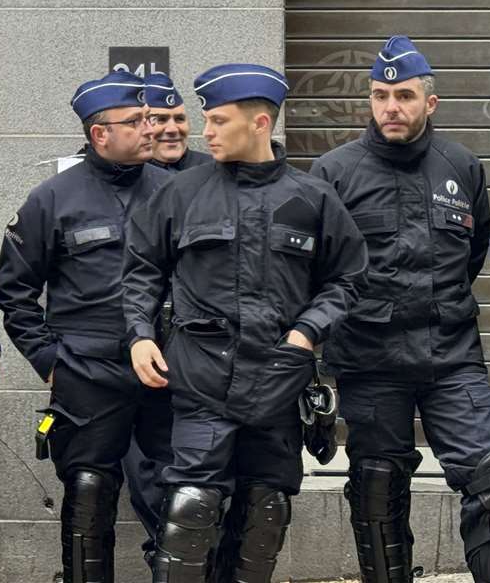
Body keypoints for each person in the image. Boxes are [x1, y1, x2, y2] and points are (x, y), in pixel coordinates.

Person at [124, 63, 367, 583]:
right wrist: (140, 335)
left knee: (265, 513)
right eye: (206, 120)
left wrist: (305, 334)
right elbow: (142, 270)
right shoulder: (180, 194)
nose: (204, 131)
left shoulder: (312, 198)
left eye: (218, 121)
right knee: (189, 511)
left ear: (260, 124)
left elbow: (347, 278)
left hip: (279, 381)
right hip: (202, 380)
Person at [310, 36, 490, 582]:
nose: (392, 107)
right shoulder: (333, 172)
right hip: (371, 360)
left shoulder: (461, 165)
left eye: (405, 95)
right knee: (376, 488)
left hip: (452, 356)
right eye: (381, 95)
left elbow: (473, 249)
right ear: (368, 100)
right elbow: (317, 270)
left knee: (488, 478)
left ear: (429, 103)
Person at [0, 73, 172, 582]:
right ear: (100, 134)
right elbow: (14, 292)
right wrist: (51, 363)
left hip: (166, 372)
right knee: (89, 495)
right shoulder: (51, 199)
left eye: (150, 118)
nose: (150, 129)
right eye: (136, 121)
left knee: (180, 497)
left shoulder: (176, 191)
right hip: (87, 374)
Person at [144, 73, 211, 173]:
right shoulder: (127, 176)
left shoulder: (214, 170)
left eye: (179, 119)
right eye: (161, 119)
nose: (173, 129)